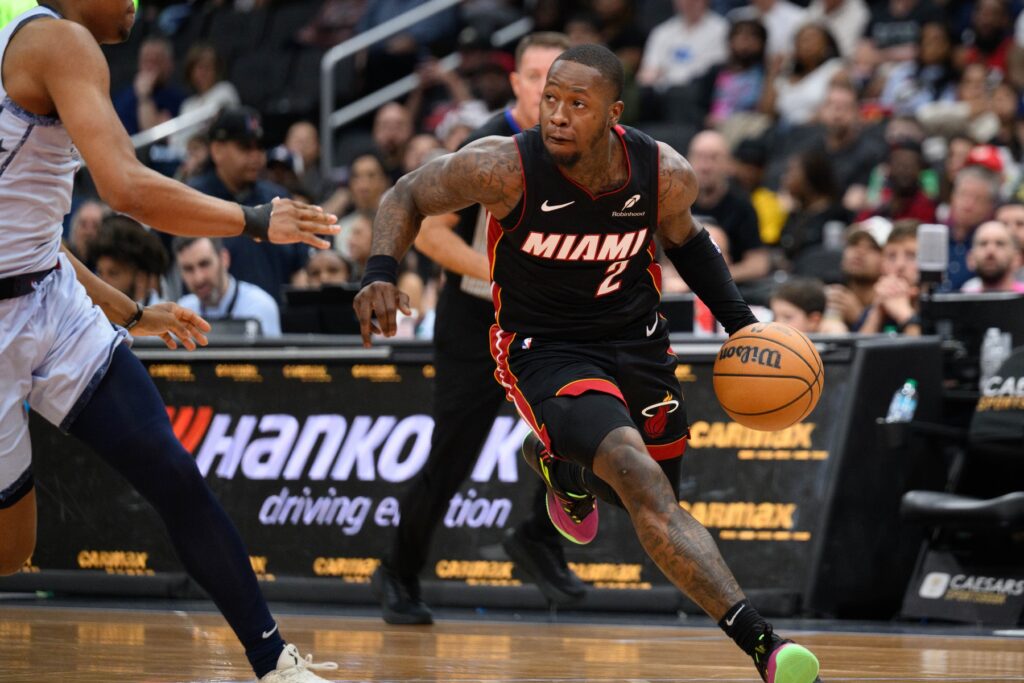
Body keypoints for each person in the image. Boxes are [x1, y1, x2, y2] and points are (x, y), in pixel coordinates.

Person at [354, 43, 822, 683]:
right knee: (637, 476)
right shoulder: (504, 168)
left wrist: (744, 326)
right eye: (551, 99)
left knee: (650, 499)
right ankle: (766, 646)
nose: (557, 115)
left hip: (637, 341)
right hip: (546, 348)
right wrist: (380, 271)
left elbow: (686, 239)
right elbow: (407, 194)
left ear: (613, 114)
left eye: (578, 104)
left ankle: (557, 464)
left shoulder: (661, 171)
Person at [0, 4, 338, 681]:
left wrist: (130, 311)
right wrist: (253, 219)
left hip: (50, 296)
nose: (137, 2)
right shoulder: (59, 41)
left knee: (172, 472)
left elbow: (31, 235)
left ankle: (274, 661)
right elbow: (126, 188)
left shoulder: (50, 45)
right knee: (13, 549)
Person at [371, 32, 587, 626]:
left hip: (545, 321)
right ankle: (397, 572)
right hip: (474, 321)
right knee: (452, 459)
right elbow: (434, 234)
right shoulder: (486, 145)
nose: (552, 92)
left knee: (594, 423)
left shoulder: (583, 147)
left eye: (563, 80)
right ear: (517, 83)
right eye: (539, 77)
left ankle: (537, 536)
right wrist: (507, 275)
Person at [189, 107, 310, 303]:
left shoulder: (278, 199)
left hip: (274, 324)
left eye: (259, 147)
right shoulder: (193, 198)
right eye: (245, 147)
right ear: (217, 150)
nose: (255, 156)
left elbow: (301, 268)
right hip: (209, 325)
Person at [688, 130, 770, 282]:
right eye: (699, 157)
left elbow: (758, 264)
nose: (705, 167)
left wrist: (716, 278)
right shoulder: (675, 203)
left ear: (728, 164)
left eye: (714, 158)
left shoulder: (742, 205)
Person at [175, 237, 282, 338]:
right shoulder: (182, 311)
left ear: (224, 258)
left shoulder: (259, 306)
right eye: (188, 269)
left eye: (204, 264)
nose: (198, 278)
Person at [860, 220, 921, 335]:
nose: (899, 265)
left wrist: (904, 314)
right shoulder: (874, 308)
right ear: (882, 265)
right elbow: (859, 352)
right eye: (892, 256)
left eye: (911, 256)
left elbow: (926, 352)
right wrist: (876, 314)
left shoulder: (944, 307)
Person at [92, 214, 168, 305]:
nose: (102, 283)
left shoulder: (167, 318)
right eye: (99, 273)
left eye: (113, 273)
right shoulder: (92, 315)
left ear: (141, 279)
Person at [961, 220, 1024, 293]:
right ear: (970, 258)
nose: (990, 251)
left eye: (1000, 244)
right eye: (983, 244)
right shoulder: (965, 298)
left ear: (1016, 259)